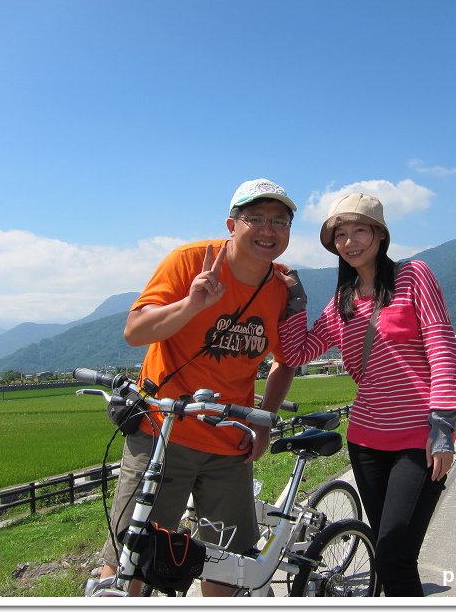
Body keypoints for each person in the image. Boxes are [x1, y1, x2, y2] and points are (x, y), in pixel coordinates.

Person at [94, 178, 298, 597]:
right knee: (130, 561)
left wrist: (262, 424)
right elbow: (135, 331)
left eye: (280, 221)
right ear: (232, 224)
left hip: (229, 442)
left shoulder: (279, 288)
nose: (268, 230)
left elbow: (286, 360)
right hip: (163, 435)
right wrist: (191, 305)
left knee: (227, 565)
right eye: (255, 218)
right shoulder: (189, 262)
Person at [277, 192, 456, 597]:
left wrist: (444, 428)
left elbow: (442, 345)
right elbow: (297, 353)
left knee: (394, 552)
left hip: (418, 438)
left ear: (380, 235)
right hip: (365, 441)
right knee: (386, 555)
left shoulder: (414, 277)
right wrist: (295, 300)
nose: (350, 242)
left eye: (360, 229)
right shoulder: (342, 302)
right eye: (340, 234)